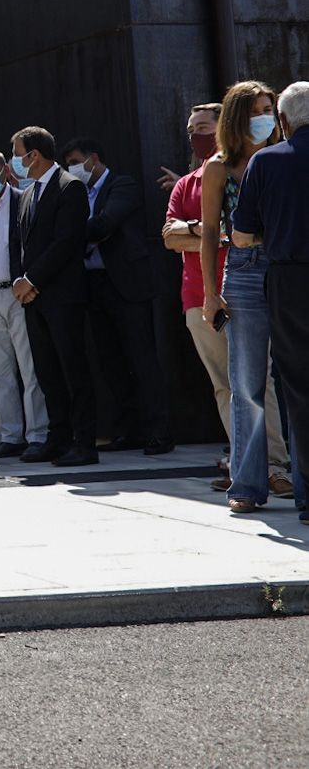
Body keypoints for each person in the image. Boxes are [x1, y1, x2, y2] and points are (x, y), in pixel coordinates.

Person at [165, 102, 288, 494]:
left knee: (260, 380)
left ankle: (275, 465)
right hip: (202, 295)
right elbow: (170, 236)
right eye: (190, 129)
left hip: (256, 286)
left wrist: (203, 231)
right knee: (227, 384)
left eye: (203, 126)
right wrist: (213, 231)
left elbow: (236, 231)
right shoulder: (190, 182)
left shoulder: (268, 165)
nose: (195, 135)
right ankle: (244, 462)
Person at [204, 81, 290, 513]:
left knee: (290, 378)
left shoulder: (282, 158)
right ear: (238, 115)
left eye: (270, 108)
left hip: (287, 269)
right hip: (242, 272)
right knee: (246, 384)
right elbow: (207, 236)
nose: (266, 116)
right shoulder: (219, 168)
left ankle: (285, 469)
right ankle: (247, 484)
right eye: (257, 109)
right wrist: (209, 292)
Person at [231, 80, 309, 524]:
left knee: (296, 384)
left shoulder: (268, 161)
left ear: (282, 121)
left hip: (291, 278)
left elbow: (242, 235)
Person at [62, 138, 171, 453]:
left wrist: (68, 232)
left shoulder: (122, 185)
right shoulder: (77, 193)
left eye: (75, 160)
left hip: (128, 286)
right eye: (67, 163)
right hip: (94, 285)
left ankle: (159, 432)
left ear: (93, 159)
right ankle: (128, 431)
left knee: (142, 359)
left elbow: (106, 224)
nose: (71, 168)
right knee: (111, 362)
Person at [9, 125, 96, 466]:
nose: (14, 161)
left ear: (34, 155)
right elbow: (22, 244)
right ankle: (57, 438)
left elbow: (66, 243)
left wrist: (31, 280)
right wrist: (22, 280)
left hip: (63, 296)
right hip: (35, 299)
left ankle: (84, 442)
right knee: (47, 372)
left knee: (73, 369)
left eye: (17, 153)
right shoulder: (30, 192)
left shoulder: (69, 187)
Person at [0, 150, 50, 460]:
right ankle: (10, 435)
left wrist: (29, 282)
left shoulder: (25, 200)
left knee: (31, 369)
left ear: (5, 170)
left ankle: (38, 435)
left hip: (20, 294)